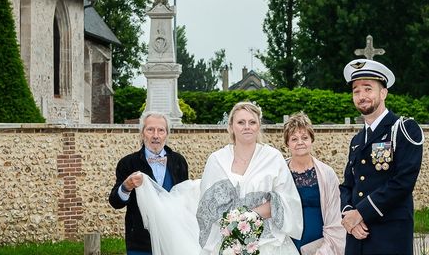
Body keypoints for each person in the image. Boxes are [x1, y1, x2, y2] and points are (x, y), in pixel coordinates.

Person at [339, 59, 424, 255]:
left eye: (368, 89)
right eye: (356, 91)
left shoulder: (403, 129)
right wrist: (348, 215)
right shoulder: (357, 140)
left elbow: (403, 182)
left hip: (389, 237)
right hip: (356, 237)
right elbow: (348, 185)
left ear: (383, 93)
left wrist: (360, 213)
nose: (361, 96)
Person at [196, 101, 303, 255]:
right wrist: (233, 227)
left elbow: (286, 199)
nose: (247, 126)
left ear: (258, 126)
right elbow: (207, 207)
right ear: (231, 126)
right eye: (241, 122)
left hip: (268, 244)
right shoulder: (217, 160)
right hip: (228, 242)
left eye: (252, 122)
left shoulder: (273, 157)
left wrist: (249, 217)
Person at [109, 111, 189, 255]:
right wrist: (126, 186)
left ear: (167, 134)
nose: (156, 135)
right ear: (142, 133)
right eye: (150, 129)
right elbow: (115, 202)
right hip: (140, 241)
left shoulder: (179, 162)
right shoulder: (128, 163)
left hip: (173, 239)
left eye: (161, 130)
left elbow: (184, 200)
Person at [283, 112, 345, 255]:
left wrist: (325, 250)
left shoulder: (327, 174)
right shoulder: (279, 174)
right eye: (294, 139)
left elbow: (335, 217)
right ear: (287, 143)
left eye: (305, 137)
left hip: (320, 245)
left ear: (311, 139)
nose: (300, 142)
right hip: (286, 245)